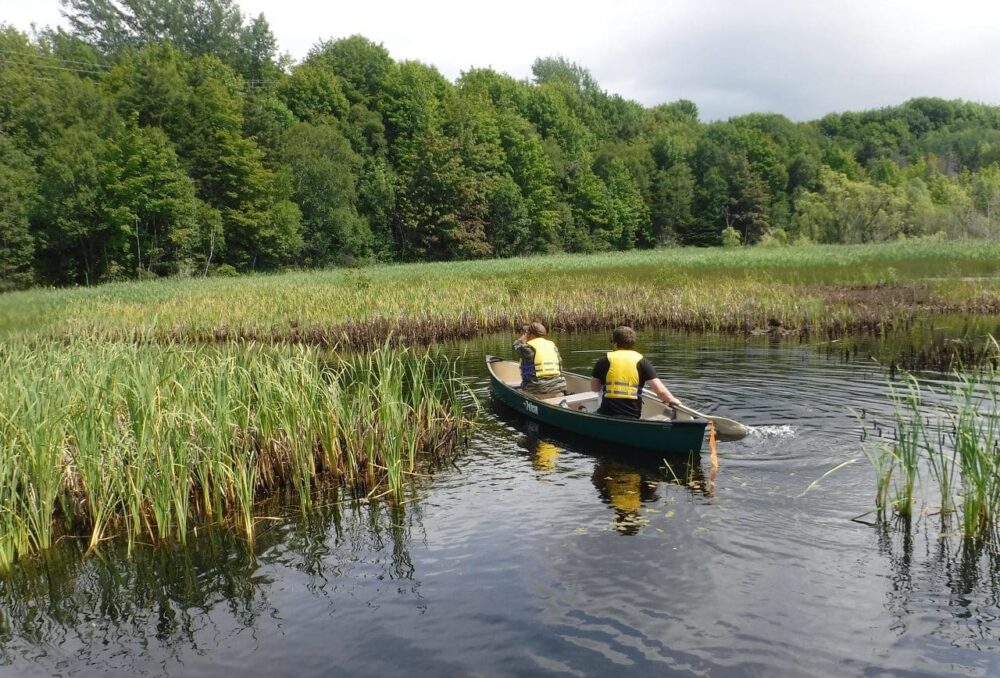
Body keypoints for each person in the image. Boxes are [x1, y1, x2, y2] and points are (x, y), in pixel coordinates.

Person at [590, 326, 681, 419]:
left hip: (607, 414)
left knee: (592, 413)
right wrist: (672, 400)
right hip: (632, 416)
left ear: (615, 343)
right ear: (632, 343)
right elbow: (661, 391)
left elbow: (595, 388)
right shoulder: (642, 361)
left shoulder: (604, 360)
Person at [513, 321, 567, 395]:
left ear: (531, 335)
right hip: (558, 387)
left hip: (537, 388)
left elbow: (515, 346)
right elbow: (560, 369)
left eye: (527, 332)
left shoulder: (528, 348)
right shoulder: (553, 346)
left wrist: (521, 339)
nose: (526, 334)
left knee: (519, 391)